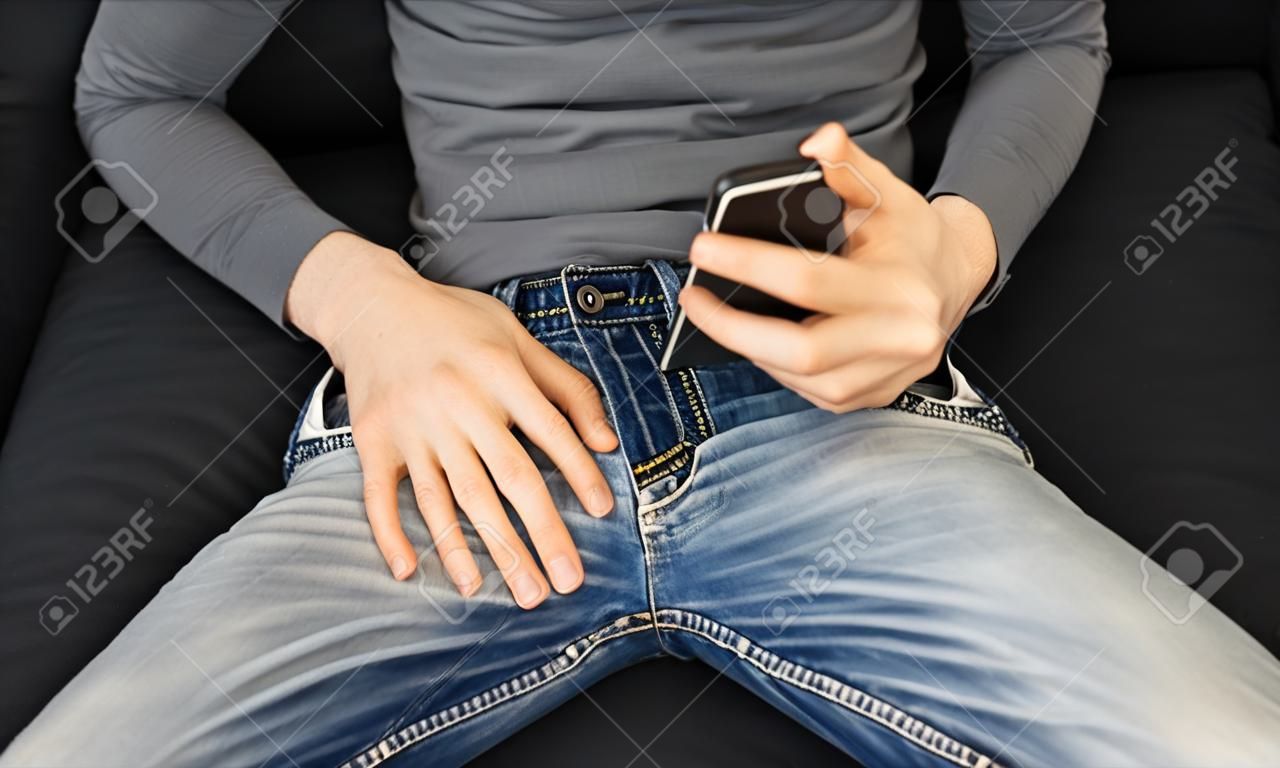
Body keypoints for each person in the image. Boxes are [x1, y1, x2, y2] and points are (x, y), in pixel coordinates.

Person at [5, 1, 1280, 766]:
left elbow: (1048, 33)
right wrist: (363, 305)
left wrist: (953, 249)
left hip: (831, 391)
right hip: (474, 412)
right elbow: (140, 92)